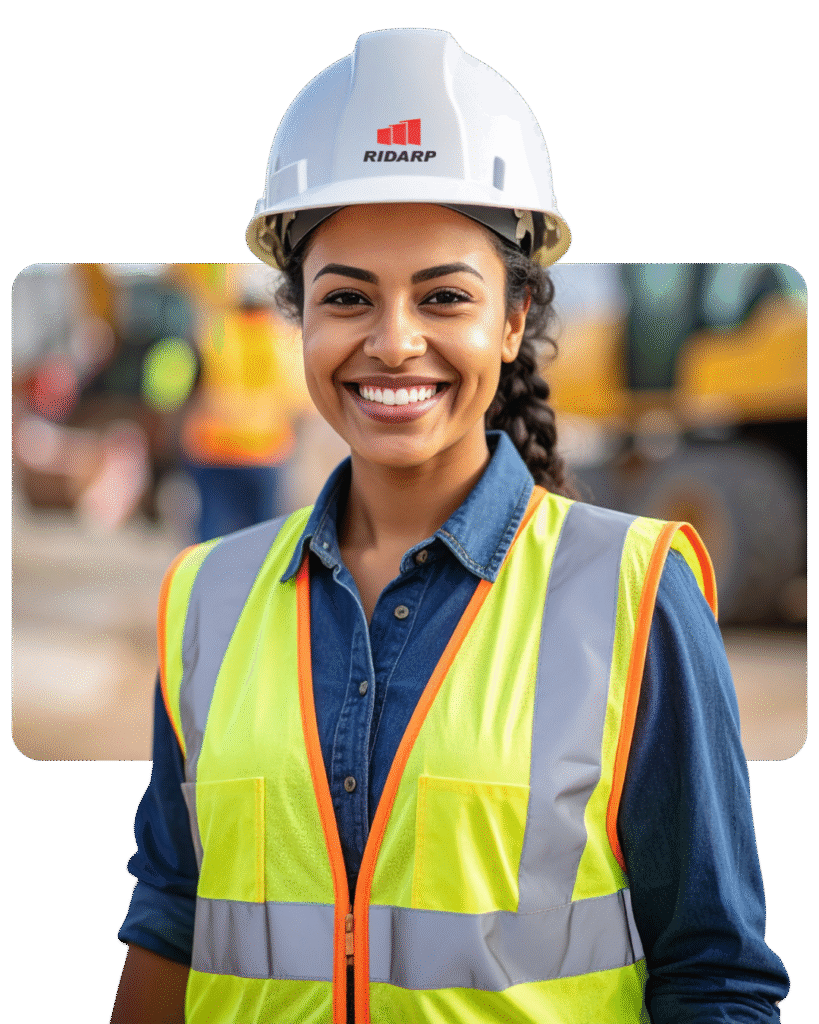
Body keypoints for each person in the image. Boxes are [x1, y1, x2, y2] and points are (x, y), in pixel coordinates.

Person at [111, 28, 789, 1024]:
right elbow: (171, 913)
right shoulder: (206, 597)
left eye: (445, 296)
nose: (393, 340)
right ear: (297, 314)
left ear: (513, 320)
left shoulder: (633, 594)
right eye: (346, 296)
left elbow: (715, 975)